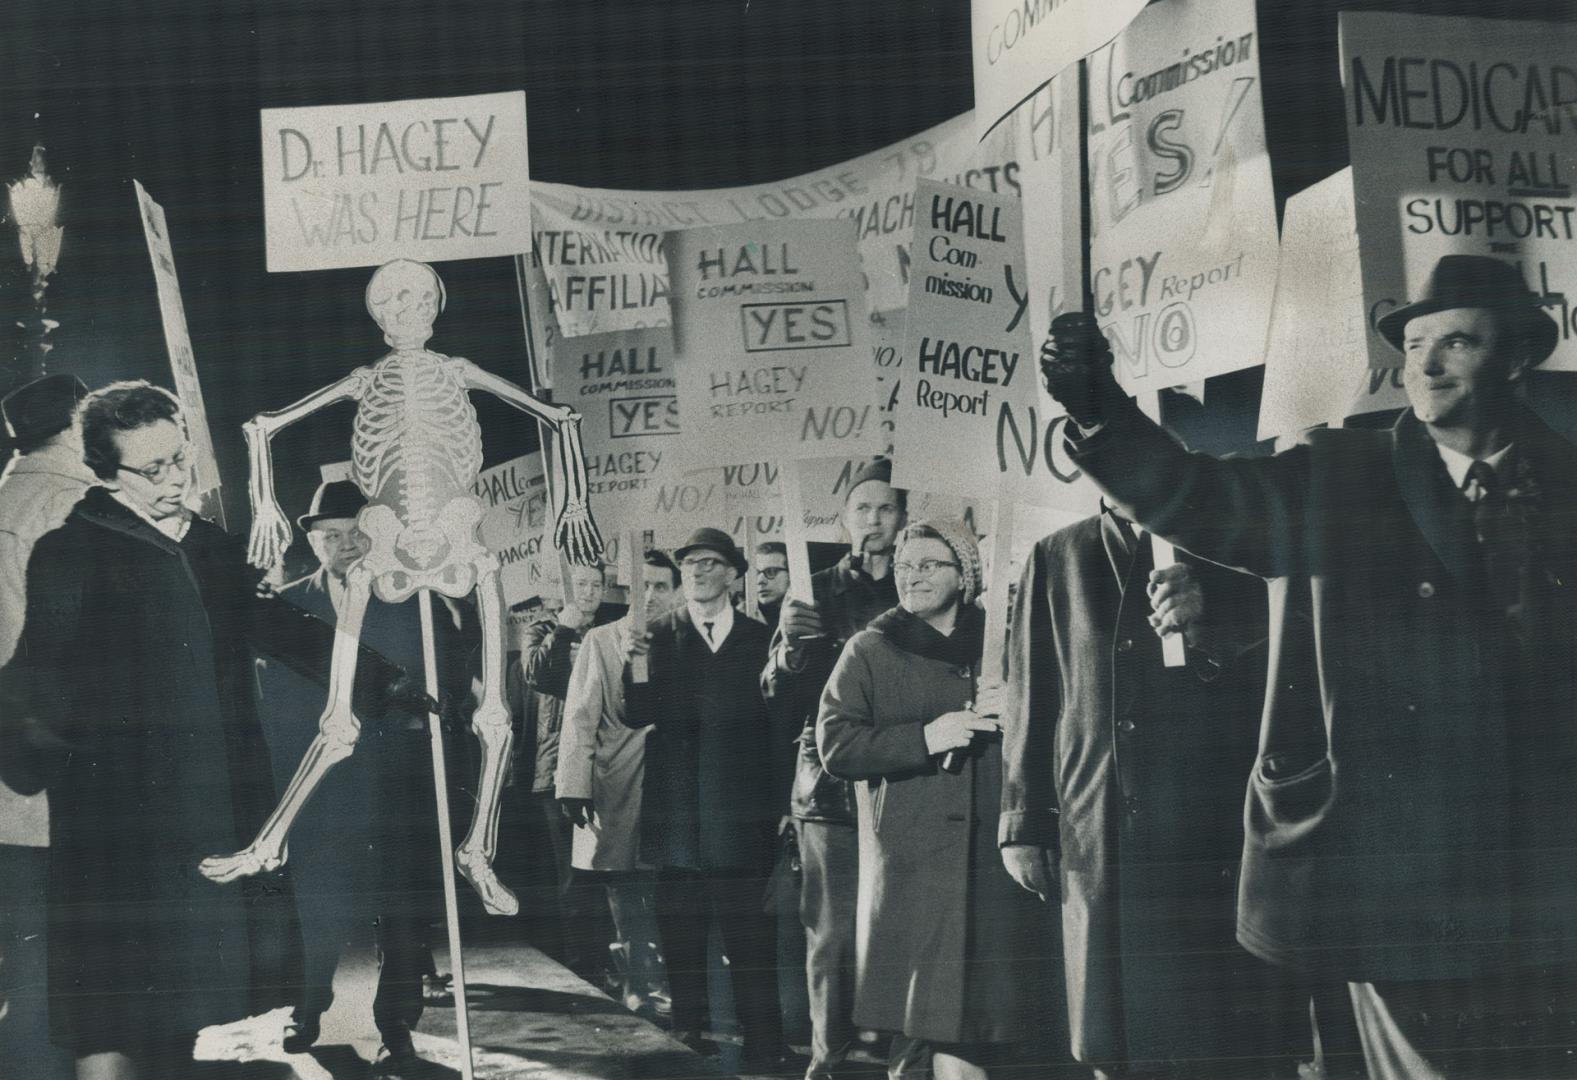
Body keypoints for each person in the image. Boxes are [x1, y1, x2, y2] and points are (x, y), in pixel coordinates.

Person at [1038, 255, 1577, 1079]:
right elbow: (1198, 497)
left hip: (1538, 859)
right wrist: (1097, 410)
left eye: (1456, 343)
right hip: (1393, 859)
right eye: (1415, 343)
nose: (1424, 365)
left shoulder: (1566, 479)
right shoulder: (1344, 473)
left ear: (1512, 359)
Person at [0, 382, 429, 1079]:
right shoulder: (71, 551)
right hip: (123, 825)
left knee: (229, 1009)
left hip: (223, 806)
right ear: (104, 472)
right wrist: (43, 752)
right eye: (153, 470)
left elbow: (282, 627)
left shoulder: (208, 548)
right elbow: (34, 676)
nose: (175, 481)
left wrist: (385, 683)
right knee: (118, 1011)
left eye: (181, 460)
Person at [1001, 509, 1311, 1077]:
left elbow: (1285, 678)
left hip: (1209, 824)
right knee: (1108, 1026)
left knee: (1215, 1024)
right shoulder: (1056, 556)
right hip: (1096, 824)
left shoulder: (1229, 543)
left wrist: (1209, 630)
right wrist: (1022, 824)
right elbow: (1030, 694)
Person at [817, 520, 1060, 1079]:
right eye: (905, 566)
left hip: (992, 858)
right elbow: (837, 745)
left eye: (929, 564)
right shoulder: (871, 648)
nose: (912, 576)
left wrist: (1019, 704)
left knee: (977, 1020)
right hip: (914, 862)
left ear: (965, 574)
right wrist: (927, 736)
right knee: (926, 1019)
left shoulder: (1007, 645)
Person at [256, 479, 469, 1069]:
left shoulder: (416, 605)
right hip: (323, 787)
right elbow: (272, 700)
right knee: (317, 902)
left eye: (356, 533)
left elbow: (449, 682)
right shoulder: (289, 606)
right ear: (313, 541)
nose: (346, 545)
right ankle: (308, 1005)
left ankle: (397, 1023)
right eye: (332, 536)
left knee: (402, 909)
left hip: (400, 784)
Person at [761, 457, 919, 1079]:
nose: (874, 520)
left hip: (909, 774)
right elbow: (774, 694)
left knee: (905, 919)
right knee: (829, 931)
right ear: (844, 518)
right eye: (863, 508)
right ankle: (827, 1058)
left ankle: (903, 1050)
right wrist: (792, 650)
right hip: (829, 783)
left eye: (886, 508)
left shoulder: (922, 585)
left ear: (903, 517)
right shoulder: (812, 591)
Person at [624, 527, 788, 1071]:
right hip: (679, 815)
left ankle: (764, 1037)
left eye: (712, 563)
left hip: (742, 812)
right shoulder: (656, 635)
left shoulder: (762, 637)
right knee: (681, 928)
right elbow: (636, 713)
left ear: (734, 575)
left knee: (751, 931)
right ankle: (689, 1028)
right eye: (691, 563)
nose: (698, 571)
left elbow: (779, 722)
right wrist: (634, 666)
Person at [0, 373, 93, 1080]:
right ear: (76, 425)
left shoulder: (5, 497)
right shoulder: (77, 504)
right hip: (62, 751)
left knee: (21, 938)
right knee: (71, 946)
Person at [556, 548, 683, 1015]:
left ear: (678, 591)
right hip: (619, 781)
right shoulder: (603, 641)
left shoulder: (685, 637)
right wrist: (574, 784)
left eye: (661, 586)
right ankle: (640, 983)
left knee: (671, 886)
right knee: (624, 887)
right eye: (641, 586)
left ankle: (675, 983)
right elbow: (580, 716)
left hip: (674, 784)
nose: (649, 596)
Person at [510, 560, 623, 981]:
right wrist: (564, 631)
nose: (590, 592)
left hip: (608, 761)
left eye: (596, 584)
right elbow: (537, 675)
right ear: (566, 589)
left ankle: (615, 958)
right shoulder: (542, 630)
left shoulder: (614, 628)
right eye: (581, 584)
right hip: (557, 767)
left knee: (611, 868)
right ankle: (585, 964)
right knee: (572, 873)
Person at [754, 540, 790, 629]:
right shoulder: (744, 613)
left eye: (771, 571)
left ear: (791, 575)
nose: (760, 581)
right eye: (755, 573)